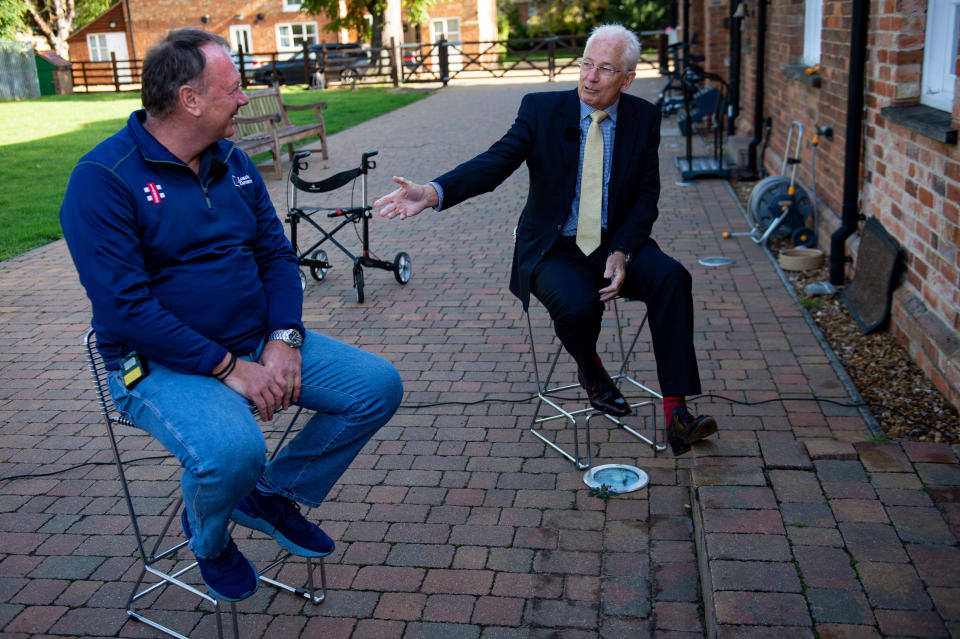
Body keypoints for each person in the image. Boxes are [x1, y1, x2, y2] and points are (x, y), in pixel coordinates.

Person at [60, 29, 403, 602]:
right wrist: (228, 368)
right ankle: (211, 539)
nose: (245, 99)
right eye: (235, 88)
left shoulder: (232, 162)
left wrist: (284, 338)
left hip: (254, 341)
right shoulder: (103, 180)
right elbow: (125, 308)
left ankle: (266, 493)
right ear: (190, 99)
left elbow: (275, 254)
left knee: (377, 387)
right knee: (232, 451)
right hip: (157, 364)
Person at [375, 24, 716, 456]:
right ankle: (590, 369)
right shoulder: (540, 110)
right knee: (577, 307)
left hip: (616, 244)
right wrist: (431, 192)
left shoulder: (644, 118)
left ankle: (677, 413)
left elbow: (647, 196)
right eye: (586, 64)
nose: (590, 77)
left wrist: (623, 250)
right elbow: (495, 162)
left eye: (605, 69)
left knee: (672, 278)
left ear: (627, 79)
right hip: (555, 248)